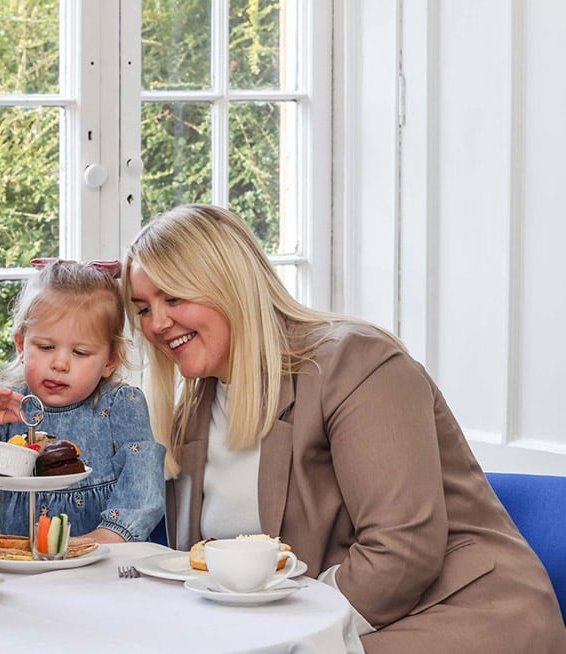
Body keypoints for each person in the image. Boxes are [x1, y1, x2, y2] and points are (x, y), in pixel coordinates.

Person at [122, 203, 566, 652]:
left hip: (461, 615)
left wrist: (288, 634)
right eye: (142, 309)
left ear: (230, 283)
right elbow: (203, 565)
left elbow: (403, 550)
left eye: (174, 298)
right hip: (319, 623)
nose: (157, 324)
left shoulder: (356, 363)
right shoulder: (197, 402)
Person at [0, 259, 165, 543]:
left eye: (80, 352)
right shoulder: (9, 406)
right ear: (21, 345)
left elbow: (143, 489)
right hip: (18, 563)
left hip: (100, 565)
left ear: (110, 361)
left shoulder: (120, 405)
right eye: (46, 347)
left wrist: (102, 540)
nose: (60, 363)